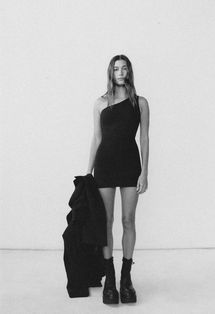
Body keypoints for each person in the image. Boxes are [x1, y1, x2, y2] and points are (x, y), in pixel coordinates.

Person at [86, 54, 149, 304]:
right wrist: (87, 171)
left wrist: (145, 172)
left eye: (124, 68)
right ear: (110, 73)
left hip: (130, 165)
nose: (120, 72)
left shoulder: (140, 103)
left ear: (129, 72)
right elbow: (97, 138)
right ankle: (109, 280)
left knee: (128, 220)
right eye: (116, 69)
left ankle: (126, 279)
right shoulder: (100, 103)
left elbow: (144, 138)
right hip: (105, 166)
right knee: (106, 222)